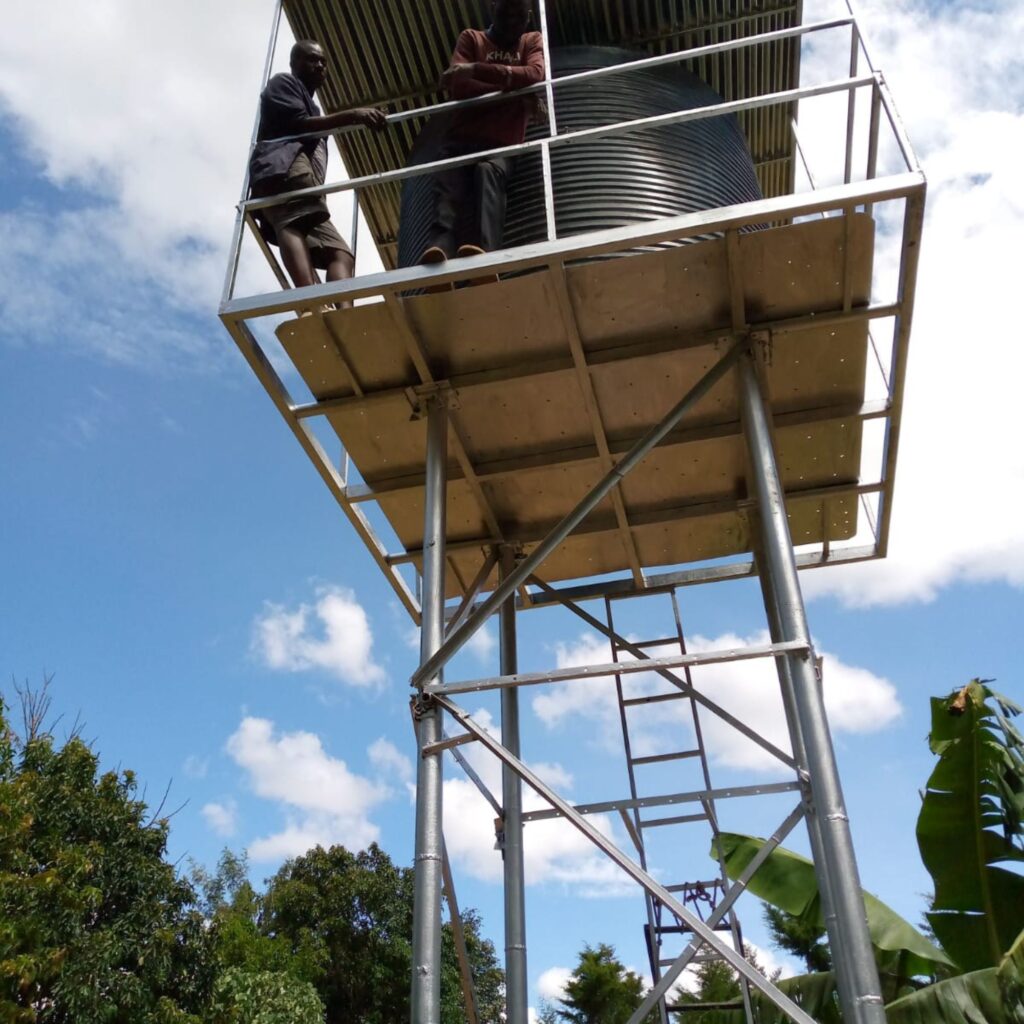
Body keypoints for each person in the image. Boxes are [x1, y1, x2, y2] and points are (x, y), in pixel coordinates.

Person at [249, 40, 386, 297]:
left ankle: (342, 316)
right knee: (292, 221)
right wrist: (354, 114)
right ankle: (311, 302)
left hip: (305, 183)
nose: (320, 65)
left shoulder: (315, 107)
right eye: (312, 59)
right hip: (282, 167)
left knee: (340, 254)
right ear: (294, 63)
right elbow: (299, 124)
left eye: (323, 61)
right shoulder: (283, 83)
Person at [420, 0, 545, 271]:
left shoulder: (531, 40)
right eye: (505, 13)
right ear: (492, 9)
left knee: (488, 173)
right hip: (461, 138)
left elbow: (535, 73)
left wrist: (475, 69)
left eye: (519, 16)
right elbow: (460, 87)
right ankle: (438, 253)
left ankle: (484, 255)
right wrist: (515, 91)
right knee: (448, 190)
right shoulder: (471, 38)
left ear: (529, 16)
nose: (512, 21)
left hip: (502, 145)